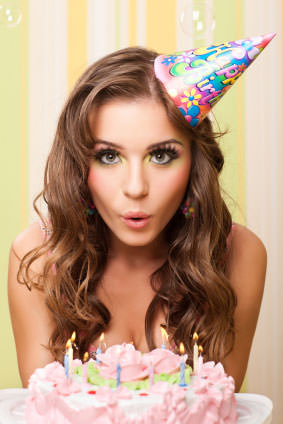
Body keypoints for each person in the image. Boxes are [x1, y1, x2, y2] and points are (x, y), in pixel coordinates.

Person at [8, 45, 267, 392]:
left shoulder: (239, 255)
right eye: (109, 156)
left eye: (161, 155)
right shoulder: (38, 258)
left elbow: (216, 406)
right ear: (80, 164)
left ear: (194, 162)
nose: (135, 188)